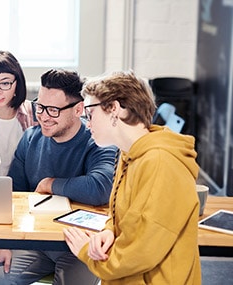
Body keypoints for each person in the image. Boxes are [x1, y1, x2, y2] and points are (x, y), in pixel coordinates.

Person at [0, 69, 117, 285]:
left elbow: (100, 188)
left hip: (79, 246)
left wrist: (50, 184)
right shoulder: (30, 139)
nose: (43, 116)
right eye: (40, 106)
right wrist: (3, 243)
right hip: (37, 242)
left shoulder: (98, 141)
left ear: (78, 109)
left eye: (53, 110)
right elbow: (13, 196)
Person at [64, 71, 201, 284]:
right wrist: (109, 231)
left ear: (114, 109)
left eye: (90, 115)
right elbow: (126, 217)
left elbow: (142, 251)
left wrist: (87, 254)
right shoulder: (130, 154)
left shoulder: (160, 162)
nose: (87, 124)